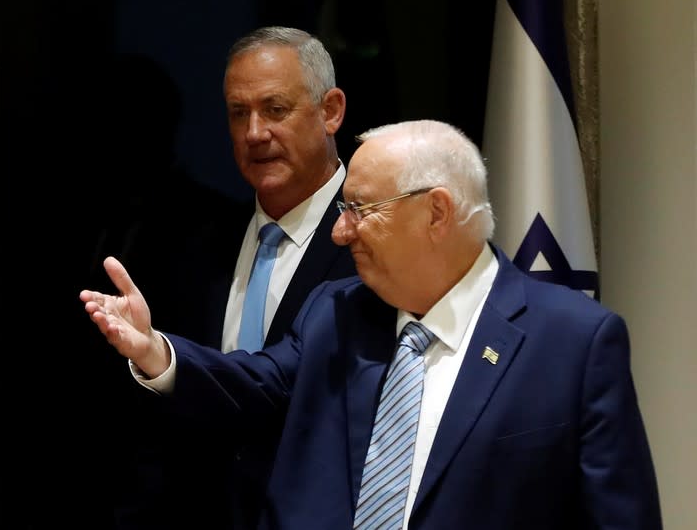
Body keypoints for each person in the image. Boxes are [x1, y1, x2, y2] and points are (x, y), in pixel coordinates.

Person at [81, 119, 662, 529]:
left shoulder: (573, 341)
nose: (340, 232)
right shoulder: (337, 313)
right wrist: (155, 350)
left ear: (436, 211)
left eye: (359, 209)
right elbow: (253, 386)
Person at [108, 26, 357, 530]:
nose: (254, 133)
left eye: (275, 109)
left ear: (330, 111)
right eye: (238, 113)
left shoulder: (376, 243)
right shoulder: (195, 244)